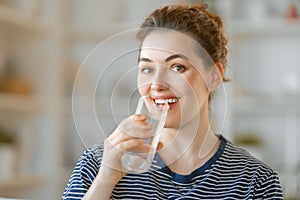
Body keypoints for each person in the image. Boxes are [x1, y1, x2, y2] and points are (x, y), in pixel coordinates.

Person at [62, 3, 283, 199]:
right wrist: (105, 181)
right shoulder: (96, 165)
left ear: (214, 76)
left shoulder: (256, 182)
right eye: (147, 68)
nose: (157, 84)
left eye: (178, 67)